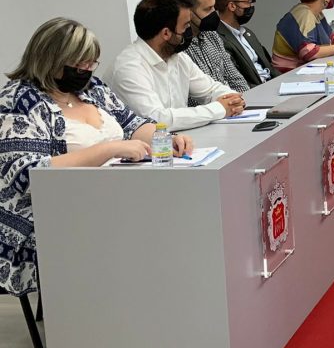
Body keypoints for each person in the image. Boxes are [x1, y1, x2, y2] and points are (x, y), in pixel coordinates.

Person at [0, 18, 193, 296]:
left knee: (172, 217)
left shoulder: (92, 89)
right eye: (78, 64)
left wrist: (166, 138)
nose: (86, 71)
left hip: (114, 197)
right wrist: (108, 150)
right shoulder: (18, 103)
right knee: (149, 233)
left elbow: (133, 124)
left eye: (91, 64)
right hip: (56, 215)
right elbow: (28, 175)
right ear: (50, 60)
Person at [110, 0, 245, 130]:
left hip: (181, 141)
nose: (190, 32)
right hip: (150, 147)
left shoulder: (177, 57)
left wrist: (232, 100)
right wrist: (218, 109)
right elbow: (157, 119)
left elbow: (210, 89)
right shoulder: (129, 67)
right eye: (186, 26)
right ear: (166, 33)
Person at [173, 0, 250, 95]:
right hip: (209, 110)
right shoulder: (179, 46)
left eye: (214, 7)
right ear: (188, 12)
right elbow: (191, 97)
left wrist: (244, 100)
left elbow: (235, 78)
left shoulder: (212, 35)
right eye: (208, 9)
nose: (214, 13)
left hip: (232, 105)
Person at [215, 0, 280, 87]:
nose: (251, 6)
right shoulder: (219, 38)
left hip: (272, 85)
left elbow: (269, 67)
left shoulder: (247, 33)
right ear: (232, 6)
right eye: (248, 2)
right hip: (255, 91)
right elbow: (236, 79)